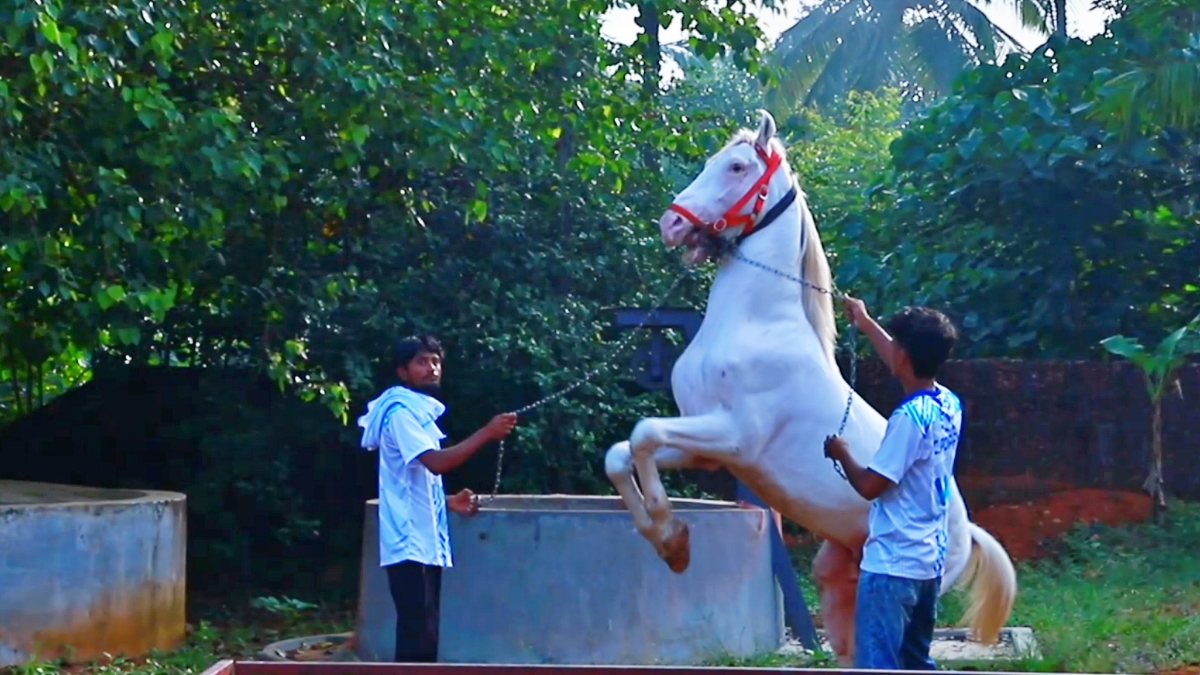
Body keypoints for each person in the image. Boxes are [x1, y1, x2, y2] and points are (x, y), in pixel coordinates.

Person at [357, 334, 518, 663]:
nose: (431, 368)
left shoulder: (418, 415)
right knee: (417, 634)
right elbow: (436, 461)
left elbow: (410, 480)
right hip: (409, 542)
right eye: (421, 361)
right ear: (403, 371)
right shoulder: (400, 414)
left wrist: (449, 502)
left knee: (425, 632)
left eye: (435, 361)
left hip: (424, 541)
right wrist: (487, 433)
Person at [822, 297, 962, 671]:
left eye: (895, 347)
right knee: (917, 662)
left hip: (892, 567)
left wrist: (842, 454)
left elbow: (870, 486)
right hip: (927, 564)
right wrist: (866, 322)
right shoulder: (948, 403)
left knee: (877, 665)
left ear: (903, 355)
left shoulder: (908, 419)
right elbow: (903, 361)